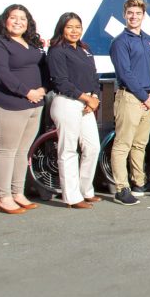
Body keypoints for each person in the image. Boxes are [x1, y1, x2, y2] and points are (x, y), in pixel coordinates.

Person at [0, 4, 48, 214]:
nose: (18, 21)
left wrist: (43, 88)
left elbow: (45, 70)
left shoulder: (31, 44)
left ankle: (17, 192)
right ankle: (3, 197)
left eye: (23, 18)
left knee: (22, 152)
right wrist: (26, 91)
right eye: (13, 17)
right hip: (7, 104)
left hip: (35, 104)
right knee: (6, 151)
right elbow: (1, 73)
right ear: (5, 20)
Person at [46, 12, 102, 209]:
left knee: (93, 147)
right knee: (68, 150)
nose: (74, 31)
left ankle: (85, 190)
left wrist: (94, 97)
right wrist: (86, 98)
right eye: (69, 27)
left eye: (77, 27)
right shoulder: (56, 51)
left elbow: (94, 77)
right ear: (62, 28)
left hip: (86, 103)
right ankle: (71, 197)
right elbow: (61, 82)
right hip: (67, 102)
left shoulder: (84, 50)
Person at [109, 0, 150, 206]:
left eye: (138, 13)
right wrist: (144, 96)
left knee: (140, 144)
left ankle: (139, 182)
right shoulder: (120, 42)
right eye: (130, 13)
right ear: (124, 15)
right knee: (123, 144)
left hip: (147, 99)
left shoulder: (146, 40)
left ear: (143, 16)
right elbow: (125, 73)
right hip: (130, 97)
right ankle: (121, 188)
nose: (134, 16)